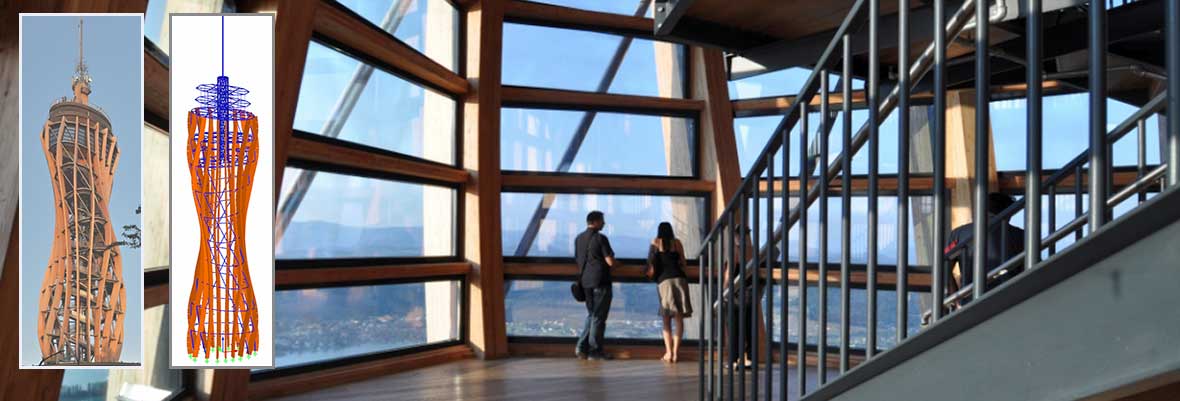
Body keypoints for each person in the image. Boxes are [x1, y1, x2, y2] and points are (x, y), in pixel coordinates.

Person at [944, 192, 1026, 306]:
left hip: (971, 301)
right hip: (1010, 301)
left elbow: (943, 267)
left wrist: (956, 299)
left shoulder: (958, 234)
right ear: (1007, 212)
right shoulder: (1021, 235)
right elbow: (1031, 268)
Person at [575, 210, 618, 360]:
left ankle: (581, 348)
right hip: (601, 281)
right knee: (598, 318)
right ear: (596, 222)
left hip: (585, 282)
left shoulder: (579, 239)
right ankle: (595, 351)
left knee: (592, 315)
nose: (604, 223)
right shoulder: (601, 238)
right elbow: (610, 262)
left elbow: (579, 260)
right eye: (602, 221)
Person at [647, 222, 693, 363]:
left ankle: (668, 353)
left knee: (666, 320)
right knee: (679, 319)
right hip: (680, 280)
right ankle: (675, 353)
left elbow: (650, 265)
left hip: (664, 282)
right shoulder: (677, 243)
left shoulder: (655, 242)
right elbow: (684, 263)